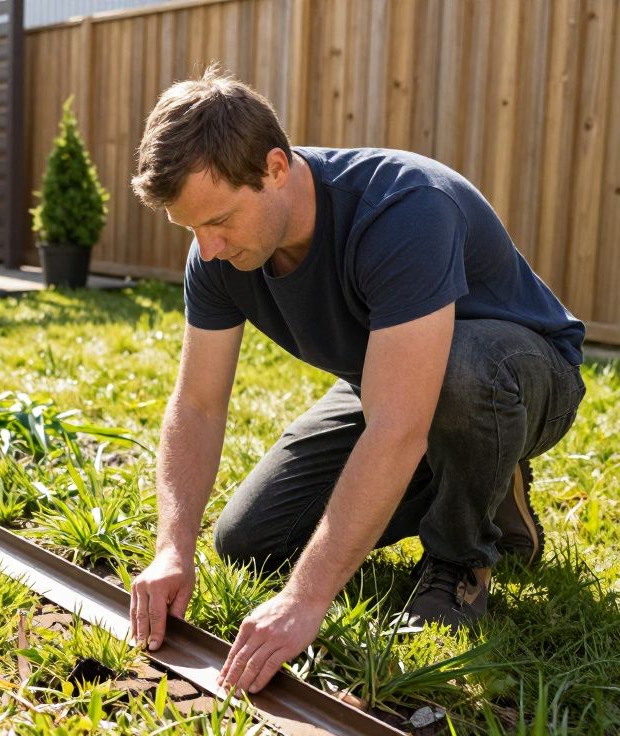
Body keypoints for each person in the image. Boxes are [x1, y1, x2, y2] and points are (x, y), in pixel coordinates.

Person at [126, 66, 586, 697]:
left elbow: (398, 427)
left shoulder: (403, 209)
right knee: (250, 541)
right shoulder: (218, 252)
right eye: (192, 229)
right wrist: (172, 549)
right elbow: (199, 404)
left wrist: (306, 598)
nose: (207, 248)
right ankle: (478, 476)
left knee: (455, 378)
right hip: (393, 380)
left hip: (520, 376)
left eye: (221, 221)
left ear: (276, 169)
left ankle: (461, 556)